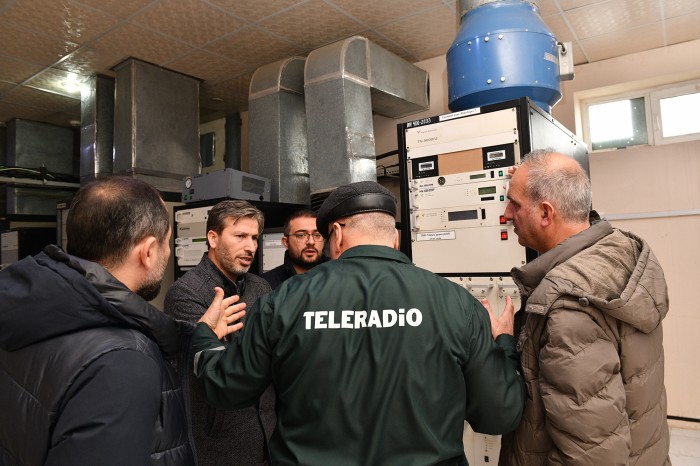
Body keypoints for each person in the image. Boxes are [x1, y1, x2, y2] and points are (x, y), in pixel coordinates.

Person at [190, 181, 525, 465]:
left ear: (334, 234)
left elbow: (226, 387)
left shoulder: (283, 301)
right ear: (394, 237)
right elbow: (498, 415)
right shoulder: (457, 304)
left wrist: (205, 336)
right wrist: (505, 345)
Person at [0, 177, 195, 465]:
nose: (167, 253)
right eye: (166, 243)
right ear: (148, 251)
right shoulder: (123, 361)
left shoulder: (24, 304)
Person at [499, 150, 670, 465]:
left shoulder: (567, 309)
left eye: (514, 204)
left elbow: (592, 455)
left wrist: (505, 343)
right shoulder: (617, 253)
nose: (507, 214)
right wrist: (526, 182)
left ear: (547, 213)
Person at [164, 199, 276, 466]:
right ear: (213, 238)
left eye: (254, 238)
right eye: (239, 236)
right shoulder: (186, 293)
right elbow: (208, 370)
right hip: (221, 442)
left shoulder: (261, 288)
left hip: (268, 435)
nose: (250, 247)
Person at [261, 209, 327, 289]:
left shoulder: (338, 277)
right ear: (286, 242)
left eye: (317, 235)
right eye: (301, 235)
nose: (311, 242)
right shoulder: (266, 285)